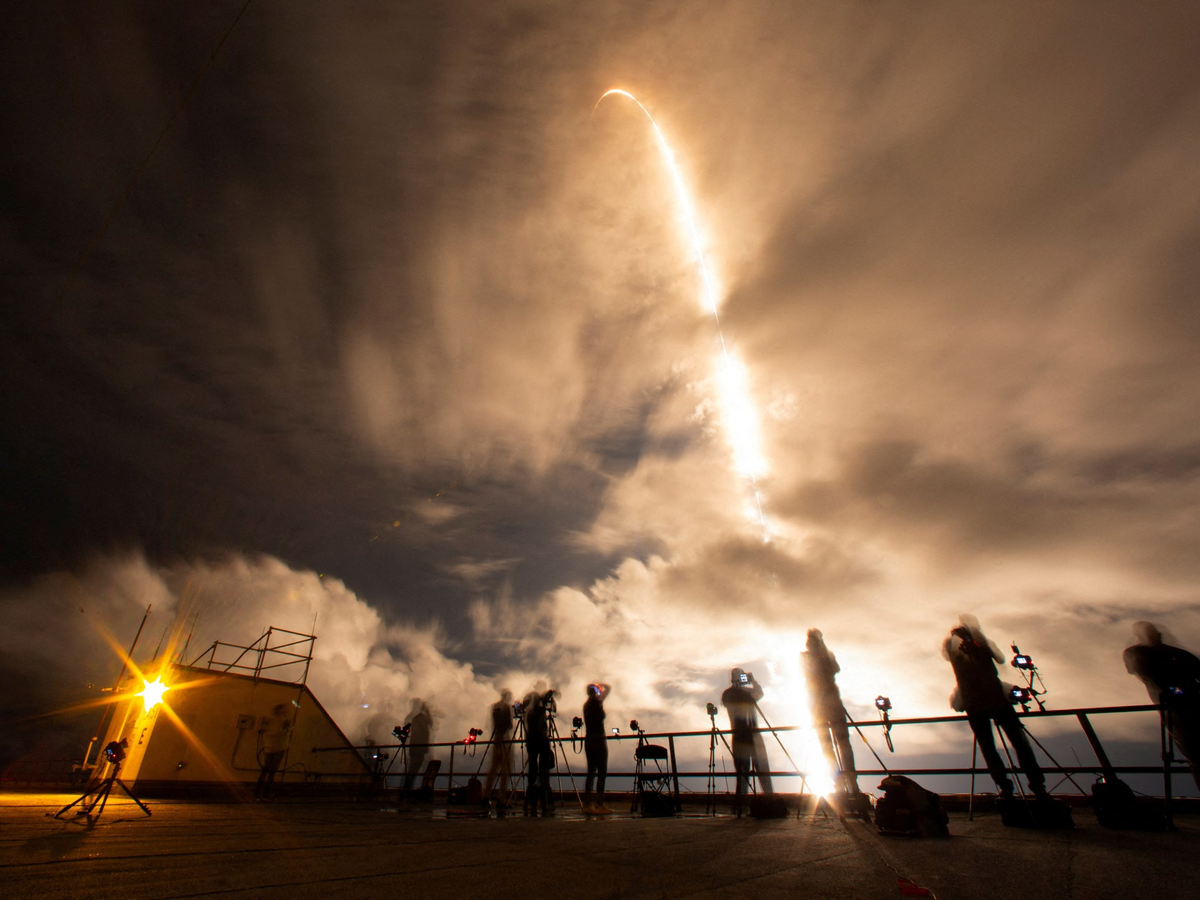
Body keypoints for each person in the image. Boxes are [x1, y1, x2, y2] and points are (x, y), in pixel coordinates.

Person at [943, 616, 1047, 800]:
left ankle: (1027, 785)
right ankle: (1019, 785)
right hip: (979, 701)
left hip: (989, 699)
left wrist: (978, 648)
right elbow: (996, 661)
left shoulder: (980, 649)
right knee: (1001, 744)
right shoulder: (957, 654)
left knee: (1008, 743)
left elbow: (996, 659)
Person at [1124, 621, 1200, 791]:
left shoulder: (1180, 655)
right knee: (1195, 753)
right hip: (1174, 709)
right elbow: (1148, 677)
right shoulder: (1136, 653)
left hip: (1187, 706)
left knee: (1195, 755)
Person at [801, 629, 863, 801]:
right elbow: (808, 673)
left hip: (830, 702)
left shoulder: (826, 655)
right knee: (828, 745)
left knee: (842, 743)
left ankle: (850, 780)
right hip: (819, 704)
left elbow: (835, 668)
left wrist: (824, 652)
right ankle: (838, 782)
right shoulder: (805, 657)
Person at [721, 667, 772, 811]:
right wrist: (745, 686)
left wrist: (752, 681)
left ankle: (771, 800)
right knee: (742, 772)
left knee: (762, 769)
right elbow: (732, 702)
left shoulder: (747, 693)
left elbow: (759, 693)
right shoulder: (730, 694)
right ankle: (741, 806)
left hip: (752, 734)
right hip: (740, 735)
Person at [523, 688, 557, 816]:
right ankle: (545, 803)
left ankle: (531, 803)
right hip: (541, 745)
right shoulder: (540, 715)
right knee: (543, 774)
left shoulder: (530, 714)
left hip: (531, 745)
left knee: (532, 774)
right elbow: (543, 731)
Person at [582, 683, 612, 815]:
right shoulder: (597, 704)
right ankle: (599, 804)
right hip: (599, 739)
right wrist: (601, 685)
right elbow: (608, 689)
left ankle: (587, 804)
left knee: (591, 773)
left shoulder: (586, 705)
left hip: (589, 739)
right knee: (601, 772)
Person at [482, 689, 514, 812]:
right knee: (505, 769)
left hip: (496, 739)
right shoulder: (506, 707)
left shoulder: (495, 706)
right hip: (505, 739)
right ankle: (501, 798)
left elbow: (496, 722)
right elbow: (508, 724)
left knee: (494, 768)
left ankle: (486, 795)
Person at [255, 703, 292, 799]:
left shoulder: (269, 720)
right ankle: (265, 793)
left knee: (266, 770)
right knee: (271, 771)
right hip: (278, 747)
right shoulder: (284, 721)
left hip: (269, 746)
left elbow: (266, 731)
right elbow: (282, 732)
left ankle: (259, 793)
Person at [404, 699, 433, 795]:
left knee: (413, 770)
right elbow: (430, 722)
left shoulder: (414, 718)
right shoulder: (419, 718)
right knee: (414, 770)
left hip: (416, 748)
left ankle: (407, 791)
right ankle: (408, 791)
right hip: (419, 748)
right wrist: (427, 709)